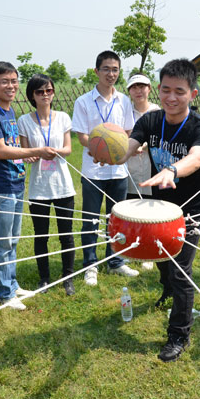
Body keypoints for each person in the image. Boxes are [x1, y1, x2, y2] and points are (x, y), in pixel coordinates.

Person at [116, 59, 200, 362]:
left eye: (180, 92)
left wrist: (172, 169)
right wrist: (110, 151)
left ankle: (178, 335)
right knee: (160, 257)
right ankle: (167, 291)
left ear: (193, 94)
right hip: (159, 205)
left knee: (181, 269)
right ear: (159, 90)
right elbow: (128, 147)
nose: (171, 98)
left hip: (190, 208)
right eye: (166, 90)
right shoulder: (150, 121)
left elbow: (196, 159)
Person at [0, 62, 56, 310]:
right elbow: (0, 151)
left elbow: (11, 148)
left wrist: (23, 155)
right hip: (0, 186)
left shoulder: (8, 111)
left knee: (13, 239)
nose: (11, 86)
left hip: (16, 182)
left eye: (14, 81)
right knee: (2, 241)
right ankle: (5, 292)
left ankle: (11, 283)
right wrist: (37, 150)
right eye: (4, 81)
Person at [71, 50, 139, 287]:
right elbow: (82, 136)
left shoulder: (124, 101)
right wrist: (100, 151)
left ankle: (116, 261)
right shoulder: (83, 102)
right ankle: (90, 264)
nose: (111, 74)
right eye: (107, 69)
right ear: (96, 71)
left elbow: (128, 132)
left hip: (118, 171)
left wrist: (121, 151)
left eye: (115, 69)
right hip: (94, 170)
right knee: (90, 218)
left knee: (116, 218)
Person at [18, 74, 77, 296]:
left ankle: (68, 277)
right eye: (40, 92)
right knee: (41, 234)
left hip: (62, 185)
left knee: (66, 234)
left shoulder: (62, 117)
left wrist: (52, 152)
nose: (45, 95)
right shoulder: (24, 120)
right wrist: (33, 155)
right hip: (38, 187)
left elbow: (68, 149)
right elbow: (25, 153)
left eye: (49, 91)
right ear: (32, 96)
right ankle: (44, 278)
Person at [125, 73, 160, 271]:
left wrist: (144, 145)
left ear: (149, 88)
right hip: (129, 166)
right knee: (131, 208)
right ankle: (132, 248)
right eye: (134, 87)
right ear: (129, 91)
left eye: (142, 86)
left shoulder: (157, 111)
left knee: (149, 209)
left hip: (151, 166)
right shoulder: (125, 111)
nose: (138, 91)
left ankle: (149, 250)